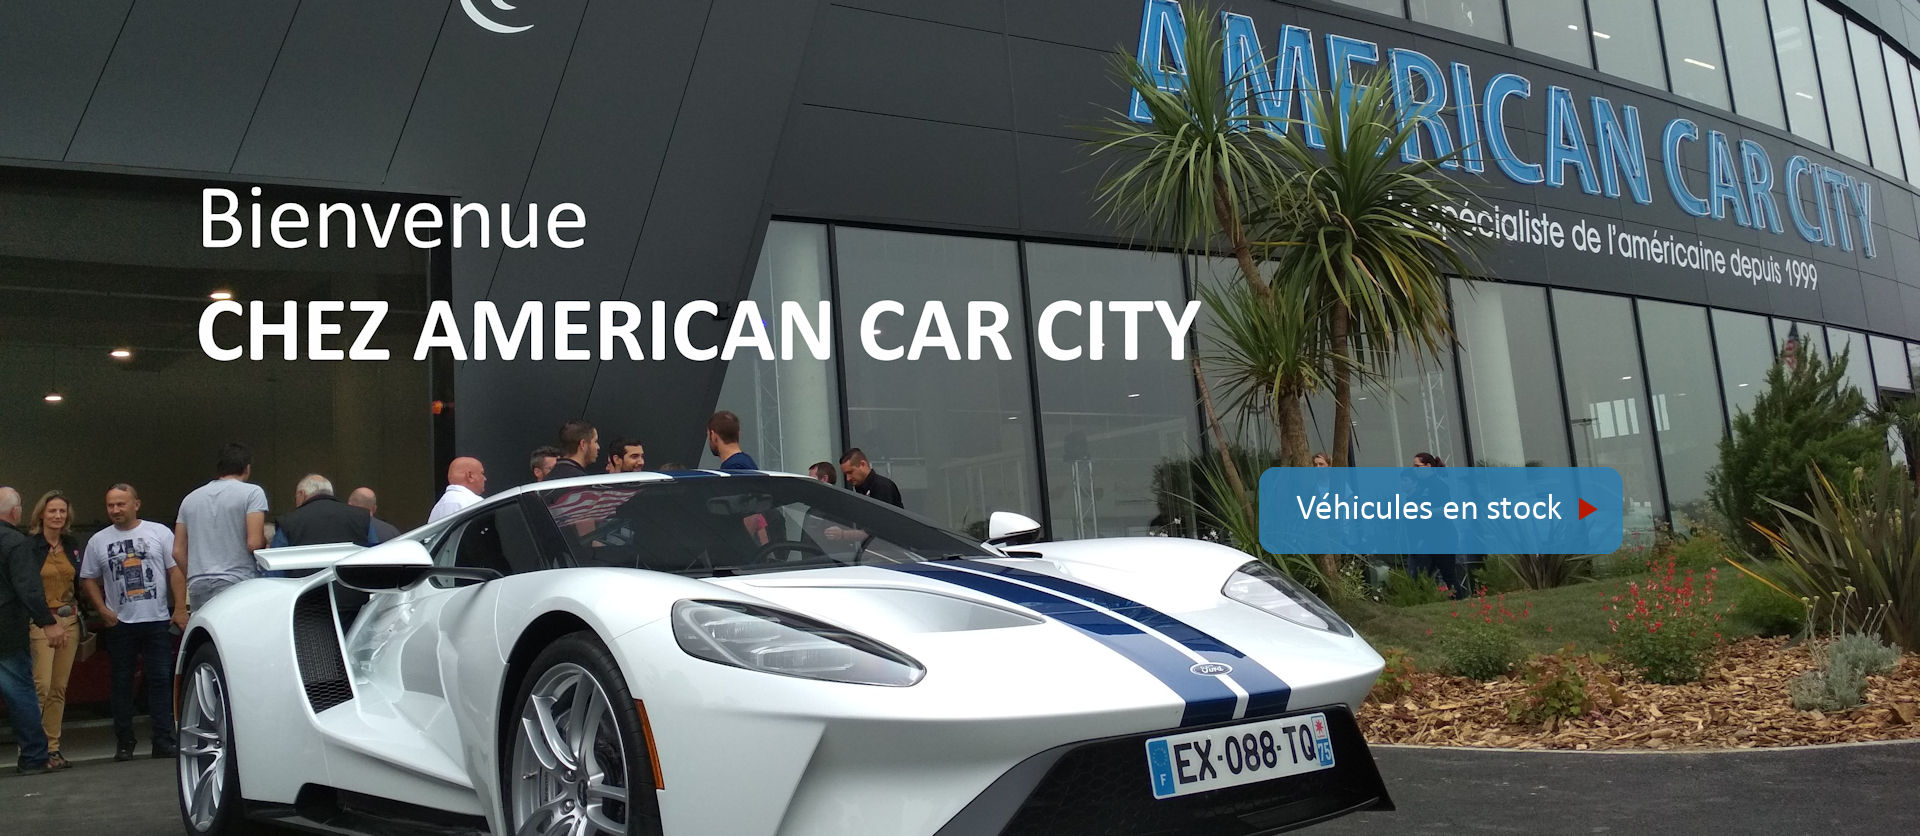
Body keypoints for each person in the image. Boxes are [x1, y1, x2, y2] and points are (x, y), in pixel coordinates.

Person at [80, 484, 186, 761]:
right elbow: (88, 578)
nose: (115, 510)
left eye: (121, 504)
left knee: (160, 680)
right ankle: (124, 742)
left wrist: (179, 608)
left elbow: (175, 571)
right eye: (110, 505)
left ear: (136, 504)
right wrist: (102, 610)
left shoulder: (159, 533)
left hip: (157, 620)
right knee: (121, 683)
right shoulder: (98, 540)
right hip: (119, 623)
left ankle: (163, 740)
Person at [1, 486, 65, 775]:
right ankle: (34, 756)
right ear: (16, 512)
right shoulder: (16, 542)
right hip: (7, 629)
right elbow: (27, 587)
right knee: (21, 692)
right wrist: (47, 622)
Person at [175, 443, 269, 609]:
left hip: (198, 582)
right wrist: (266, 541)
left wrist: (193, 574)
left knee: (205, 625)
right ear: (247, 468)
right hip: (237, 580)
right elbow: (254, 543)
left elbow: (177, 551)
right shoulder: (253, 493)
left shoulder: (190, 499)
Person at [27, 491, 82, 770]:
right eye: (52, 511)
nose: (57, 516)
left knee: (59, 688)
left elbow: (80, 581)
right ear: (41, 514)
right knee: (42, 686)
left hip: (69, 620)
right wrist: (44, 619)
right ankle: (32, 749)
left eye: (62, 511)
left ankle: (52, 748)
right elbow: (26, 586)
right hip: (41, 621)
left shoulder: (72, 544)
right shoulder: (30, 546)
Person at [1405, 452, 1467, 600]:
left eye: (1417, 466)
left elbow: (1448, 509)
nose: (1414, 469)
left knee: (1448, 574)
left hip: (1443, 537)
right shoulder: (1420, 487)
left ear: (1428, 466)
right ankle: (1425, 603)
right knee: (1421, 575)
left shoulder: (1438, 485)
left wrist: (1424, 511)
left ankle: (1459, 601)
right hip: (1428, 538)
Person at [273, 475, 380, 548]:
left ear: (302, 494)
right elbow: (374, 556)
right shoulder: (362, 517)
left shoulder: (289, 522)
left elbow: (275, 565)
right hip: (350, 576)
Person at [428, 458, 487, 523]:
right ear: (470, 476)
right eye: (482, 473)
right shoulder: (475, 503)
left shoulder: (437, 508)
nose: (485, 479)